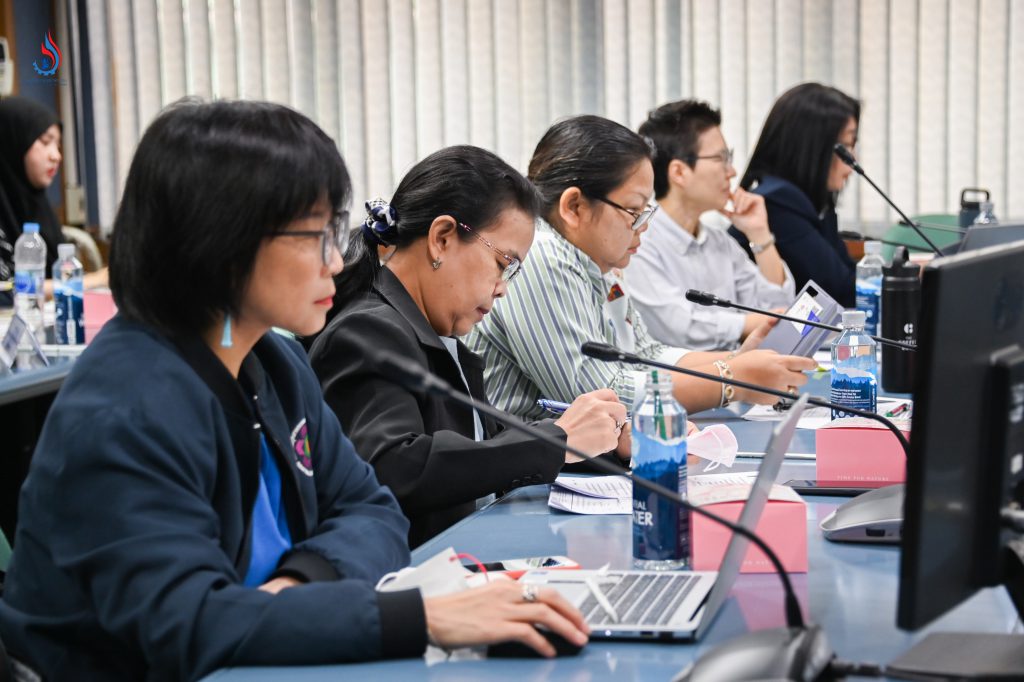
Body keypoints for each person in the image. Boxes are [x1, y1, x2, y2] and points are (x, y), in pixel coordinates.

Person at [0, 100, 588, 680]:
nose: (336, 260)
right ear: (220, 240)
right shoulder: (124, 405)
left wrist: (296, 589)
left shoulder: (274, 362)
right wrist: (419, 618)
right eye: (313, 237)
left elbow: (373, 511)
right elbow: (187, 629)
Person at [309, 145, 626, 548]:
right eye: (502, 263)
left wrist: (607, 442)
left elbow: (485, 455)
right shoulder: (368, 331)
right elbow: (395, 467)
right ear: (442, 238)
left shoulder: (435, 335)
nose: (503, 288)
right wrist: (555, 439)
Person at [466, 115, 815, 423]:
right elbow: (598, 396)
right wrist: (731, 381)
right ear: (574, 206)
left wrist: (738, 361)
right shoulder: (541, 258)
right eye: (634, 212)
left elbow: (646, 354)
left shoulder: (595, 259)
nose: (643, 226)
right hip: (523, 483)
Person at [629, 99, 795, 351]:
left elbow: (776, 310)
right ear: (679, 172)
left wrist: (759, 235)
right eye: (722, 159)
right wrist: (750, 323)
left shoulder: (719, 243)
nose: (732, 171)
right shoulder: (638, 242)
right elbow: (678, 328)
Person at [728, 82, 860, 308]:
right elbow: (840, 292)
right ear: (812, 147)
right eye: (845, 147)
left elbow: (847, 277)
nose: (852, 162)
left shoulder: (808, 202)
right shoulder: (777, 204)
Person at [0, 96, 106, 304]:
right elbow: (5, 291)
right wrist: (93, 280)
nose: (56, 156)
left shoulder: (39, 208)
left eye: (58, 145)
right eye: (46, 142)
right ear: (13, 143)